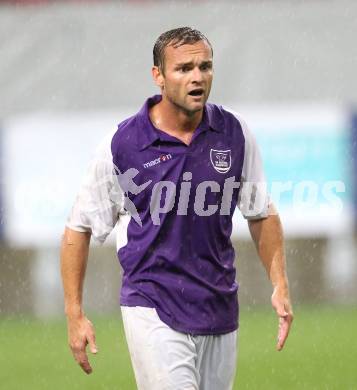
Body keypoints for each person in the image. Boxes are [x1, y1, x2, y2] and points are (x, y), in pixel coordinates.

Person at [60, 27, 293, 390]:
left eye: (205, 66)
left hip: (218, 304)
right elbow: (79, 228)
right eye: (183, 68)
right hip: (152, 304)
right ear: (158, 77)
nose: (197, 77)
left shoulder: (234, 133)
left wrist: (279, 284)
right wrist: (74, 313)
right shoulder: (123, 143)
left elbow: (260, 213)